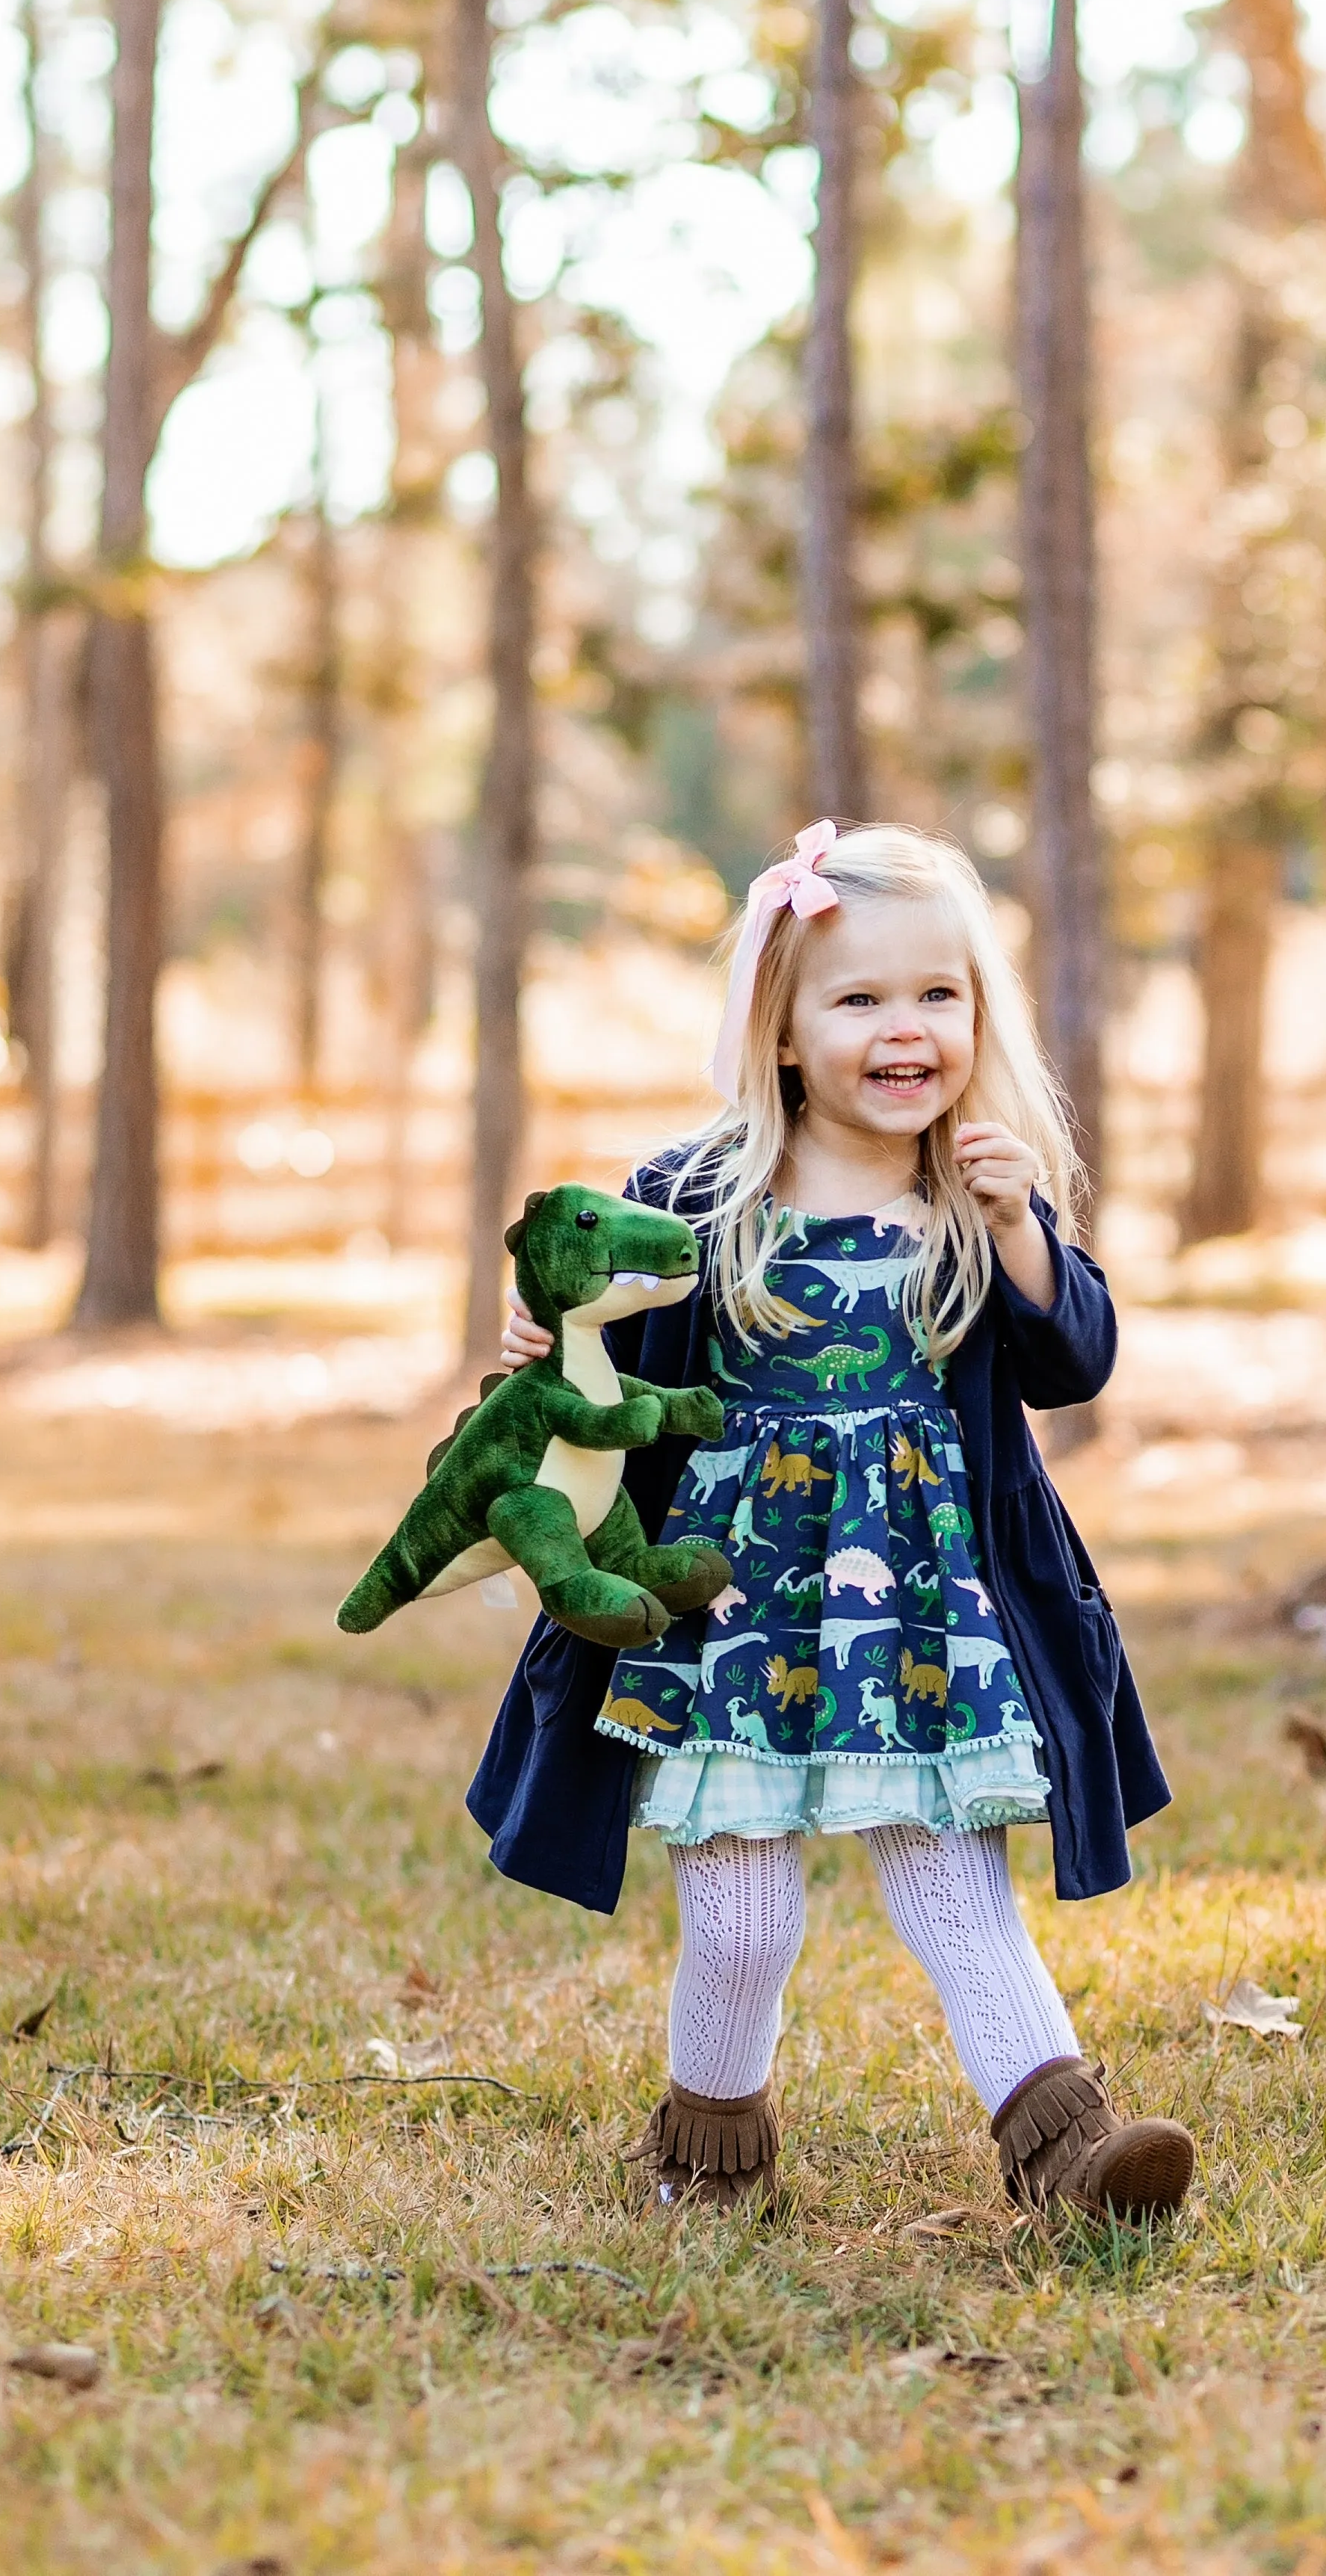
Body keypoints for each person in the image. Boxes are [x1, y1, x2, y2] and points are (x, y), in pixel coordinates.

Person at [467, 821, 1192, 2225]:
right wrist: (545, 1344)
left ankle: (1070, 2155)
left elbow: (1076, 1360)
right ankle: (708, 2159)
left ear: (978, 1018)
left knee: (956, 1889)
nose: (903, 1028)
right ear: (785, 1032)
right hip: (729, 1618)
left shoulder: (974, 1197)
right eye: (857, 999)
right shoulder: (697, 1195)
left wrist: (1021, 1230)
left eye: (936, 994)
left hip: (917, 1616)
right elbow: (595, 1351)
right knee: (744, 1924)